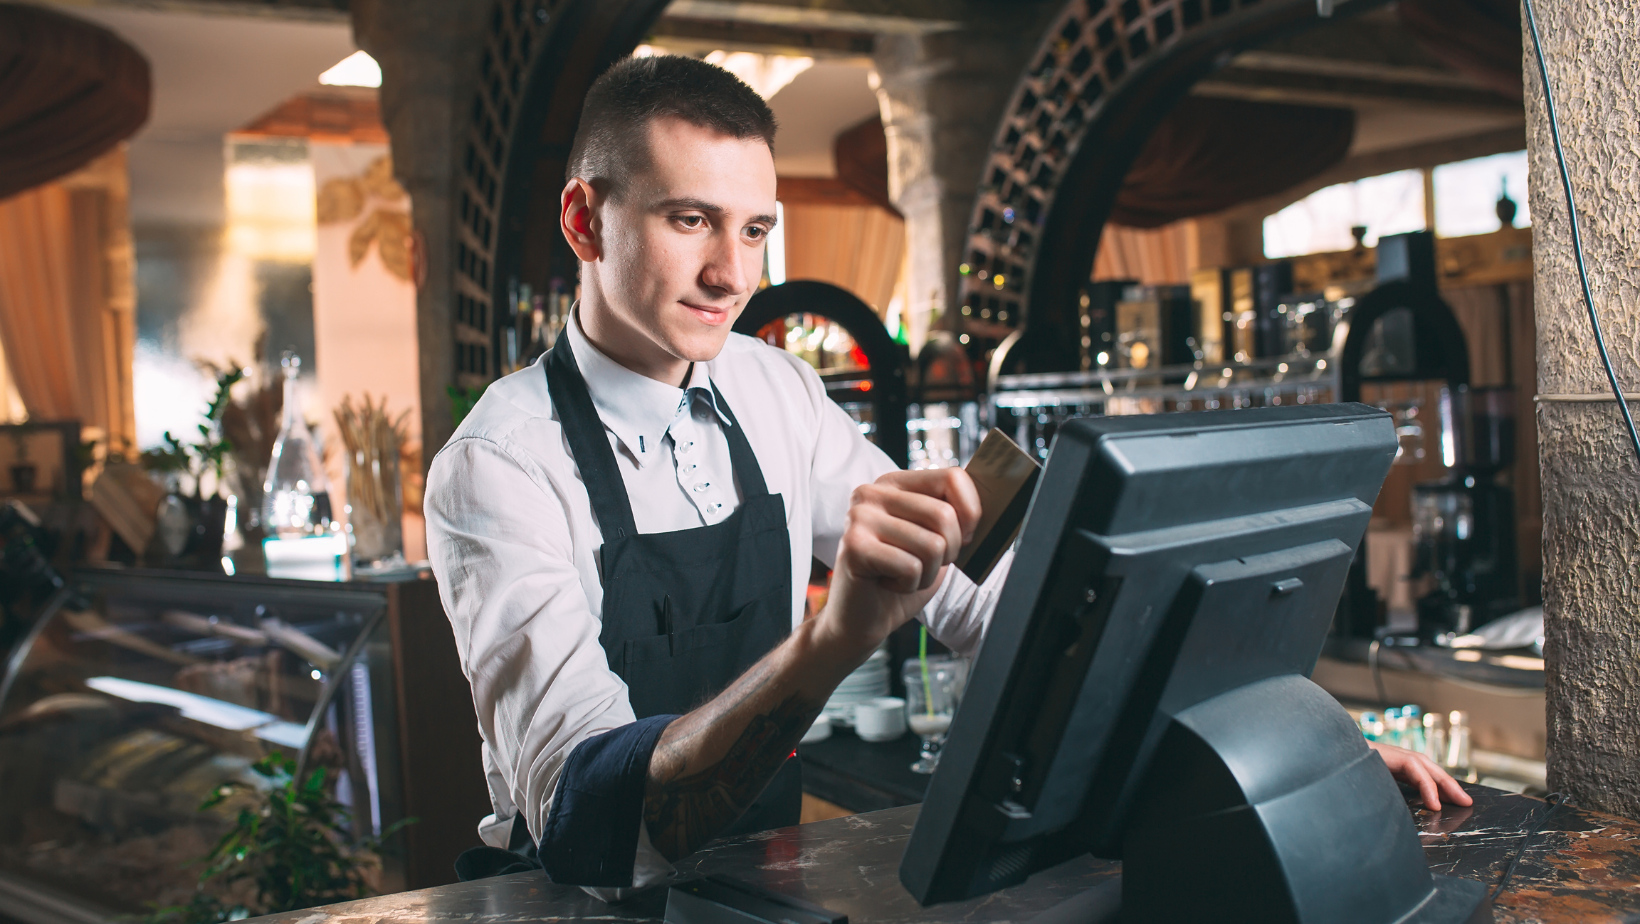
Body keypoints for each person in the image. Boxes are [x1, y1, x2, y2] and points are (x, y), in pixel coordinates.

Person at [424, 54, 1468, 899]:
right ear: (584, 221)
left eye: (754, 230)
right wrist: (835, 639)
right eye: (688, 219)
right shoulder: (500, 465)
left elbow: (990, 600)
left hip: (750, 890)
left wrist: (1279, 755)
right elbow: (592, 821)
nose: (730, 274)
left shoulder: (774, 390)